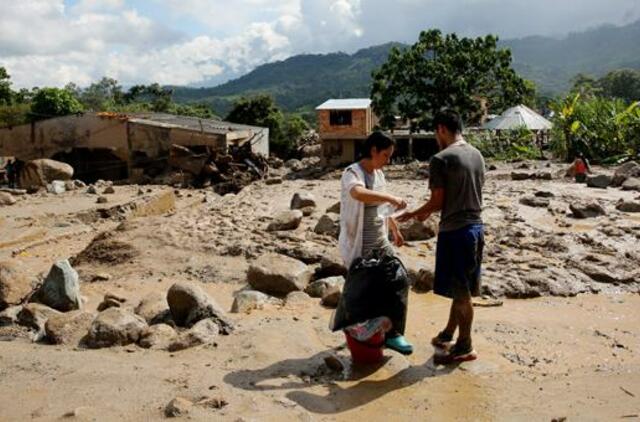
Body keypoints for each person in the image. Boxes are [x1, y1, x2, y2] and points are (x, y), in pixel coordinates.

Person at [398, 110, 485, 363]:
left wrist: (414, 213)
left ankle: (465, 345)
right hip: (476, 228)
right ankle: (448, 334)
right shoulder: (477, 155)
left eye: (437, 133)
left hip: (456, 232)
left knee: (462, 294)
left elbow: (438, 201)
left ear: (442, 130)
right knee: (462, 287)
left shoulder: (441, 159)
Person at [338, 131, 413, 355]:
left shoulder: (379, 175)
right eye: (385, 155)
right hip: (359, 246)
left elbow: (383, 209)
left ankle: (393, 333)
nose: (387, 161)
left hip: (380, 243)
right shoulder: (352, 173)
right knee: (362, 294)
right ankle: (358, 333)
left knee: (399, 281)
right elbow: (358, 193)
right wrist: (390, 198)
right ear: (373, 151)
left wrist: (395, 230)